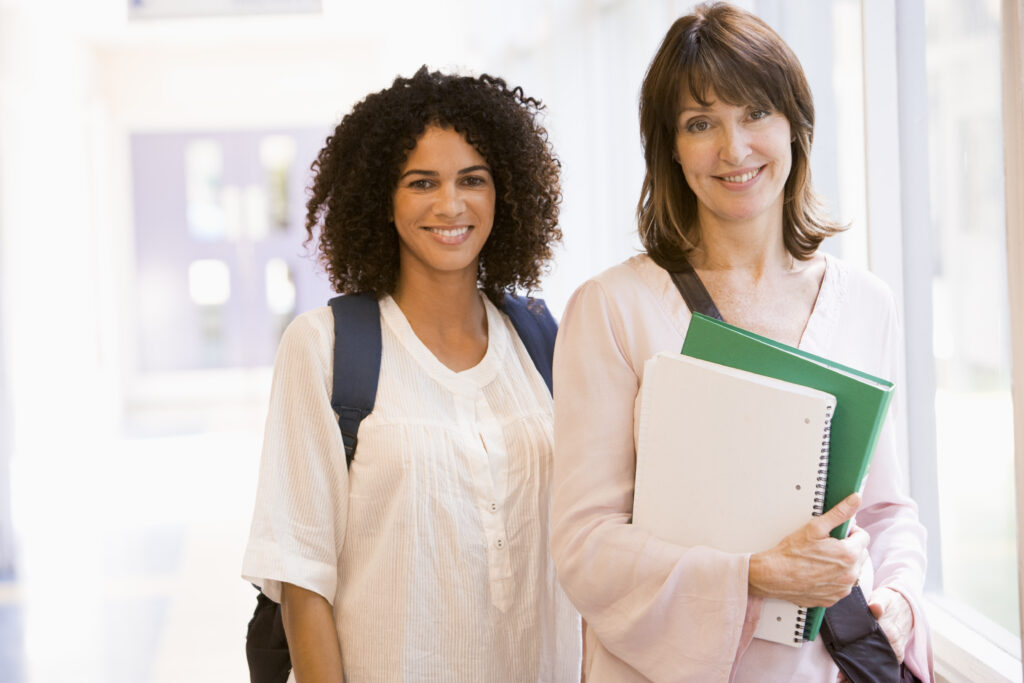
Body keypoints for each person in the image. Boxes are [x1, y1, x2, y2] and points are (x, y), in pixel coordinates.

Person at [550, 3, 932, 681]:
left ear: (795, 124)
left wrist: (898, 598)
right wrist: (751, 576)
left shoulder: (866, 303)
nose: (734, 149)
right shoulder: (614, 309)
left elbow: (883, 508)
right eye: (702, 124)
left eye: (755, 112)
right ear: (669, 145)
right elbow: (585, 544)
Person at [242, 66, 580, 682]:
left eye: (472, 180)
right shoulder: (323, 348)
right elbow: (300, 577)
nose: (450, 205)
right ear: (381, 199)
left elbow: (589, 548)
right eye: (421, 182)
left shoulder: (540, 338)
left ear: (505, 192)